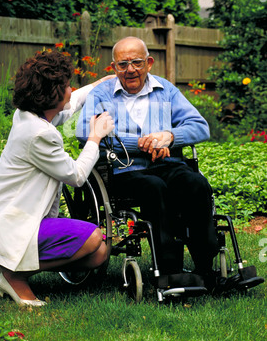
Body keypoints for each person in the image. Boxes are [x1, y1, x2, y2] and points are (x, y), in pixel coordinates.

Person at [76, 36, 220, 290]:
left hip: (168, 165)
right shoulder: (101, 95)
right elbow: (83, 132)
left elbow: (201, 127)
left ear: (149, 63)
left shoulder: (166, 90)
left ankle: (205, 269)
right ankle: (168, 269)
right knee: (154, 187)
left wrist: (169, 137)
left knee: (196, 184)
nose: (130, 69)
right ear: (114, 68)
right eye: (123, 64)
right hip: (124, 169)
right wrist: (142, 143)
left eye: (137, 62)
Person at [0, 50, 114, 306]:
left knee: (98, 254)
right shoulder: (39, 134)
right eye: (65, 86)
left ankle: (10, 263)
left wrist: (97, 85)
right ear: (52, 94)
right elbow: (76, 175)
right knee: (94, 238)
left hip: (10, 220)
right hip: (11, 225)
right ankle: (13, 275)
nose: (70, 89)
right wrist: (96, 136)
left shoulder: (29, 115)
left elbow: (68, 106)